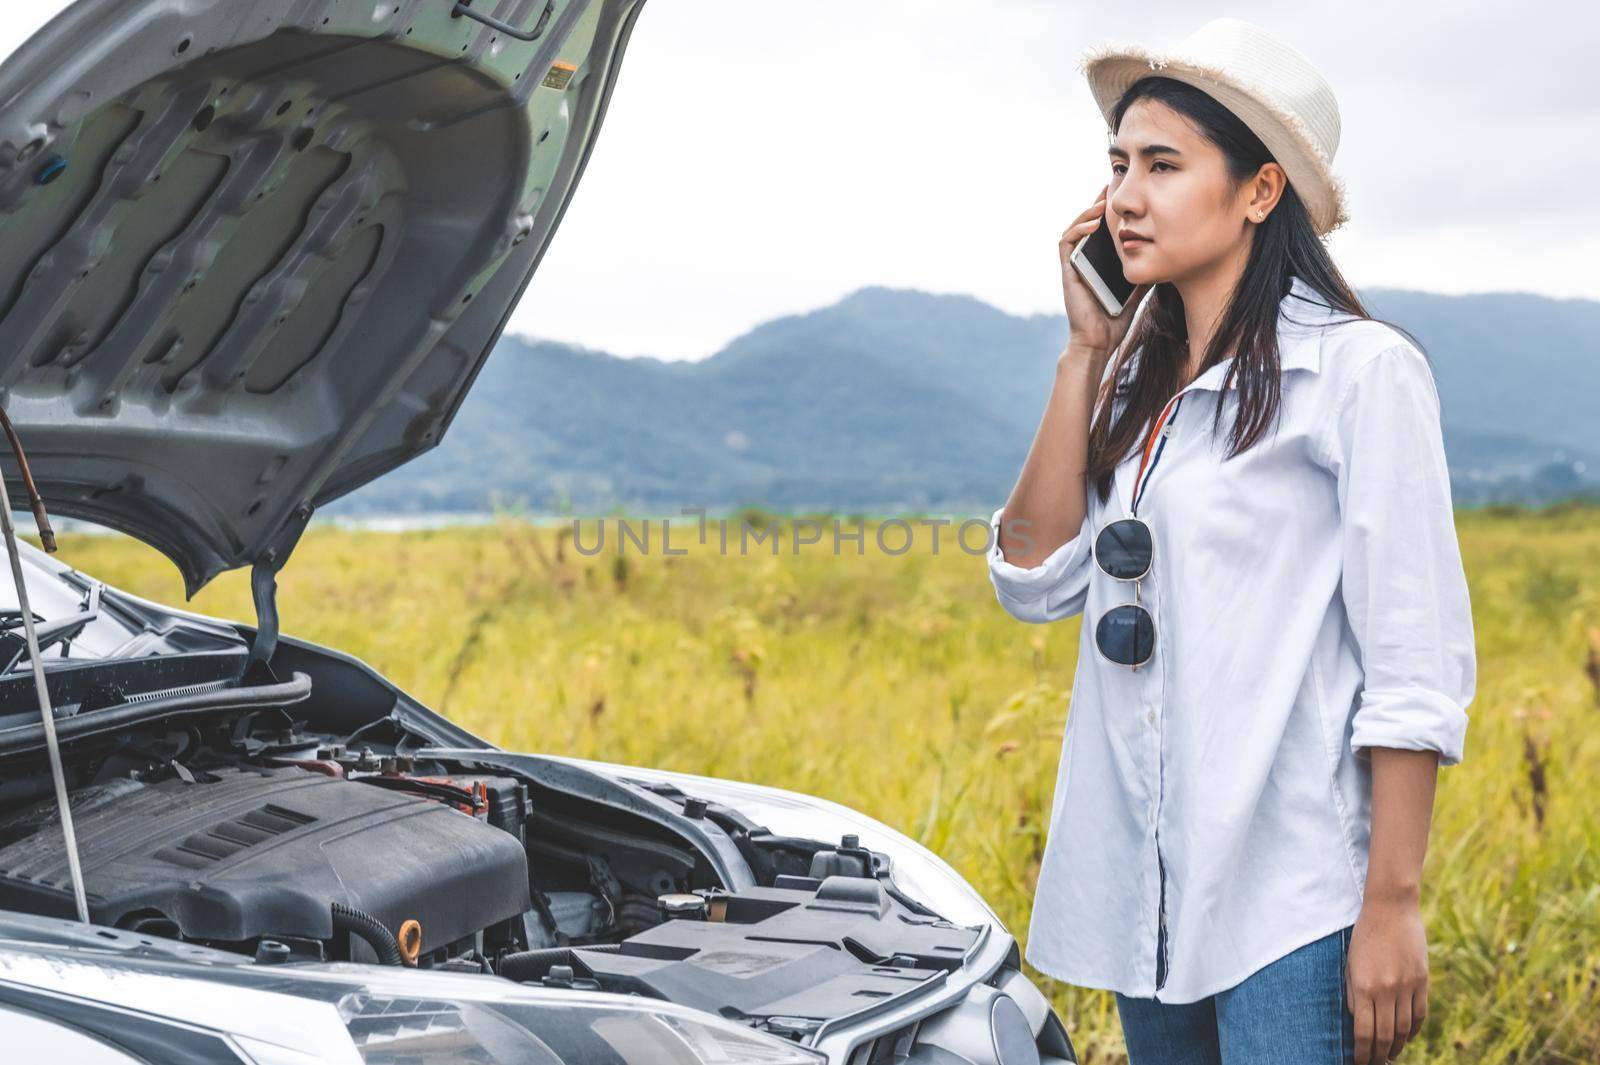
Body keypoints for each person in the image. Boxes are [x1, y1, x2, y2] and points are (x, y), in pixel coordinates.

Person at [986, 17, 1475, 1065]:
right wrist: (1082, 354)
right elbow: (1031, 579)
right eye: (1116, 165)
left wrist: (1390, 906)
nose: (1124, 196)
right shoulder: (1129, 379)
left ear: (1259, 191)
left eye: (1163, 165)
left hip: (1288, 904)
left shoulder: (1358, 372)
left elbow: (1411, 662)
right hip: (1147, 896)